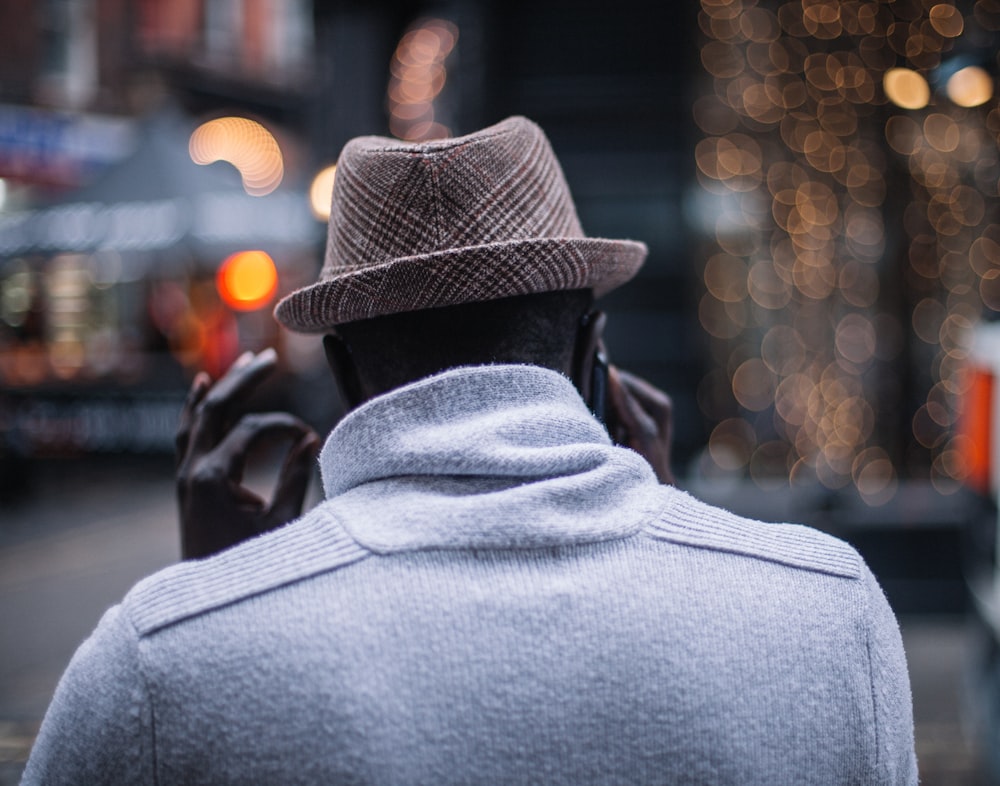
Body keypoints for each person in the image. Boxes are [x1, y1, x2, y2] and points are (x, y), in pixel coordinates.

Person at [22, 116, 917, 784]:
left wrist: (215, 610)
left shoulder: (155, 656)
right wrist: (686, 537)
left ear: (342, 371)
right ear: (588, 349)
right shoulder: (828, 609)